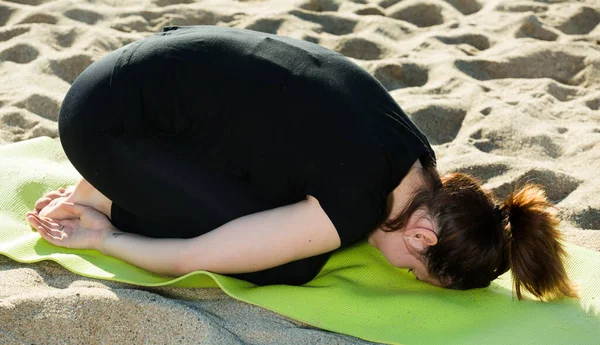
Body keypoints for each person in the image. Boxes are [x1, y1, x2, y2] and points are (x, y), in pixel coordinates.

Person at [25, 25, 576, 300]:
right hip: (104, 120)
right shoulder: (356, 201)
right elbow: (195, 255)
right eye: (413, 269)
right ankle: (104, 197)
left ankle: (106, 185)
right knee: (288, 263)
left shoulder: (413, 155)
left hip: (142, 67)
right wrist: (105, 241)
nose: (397, 270)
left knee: (280, 211)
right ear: (422, 236)